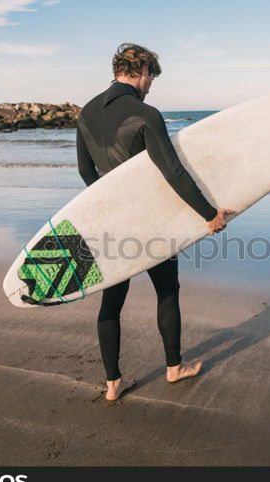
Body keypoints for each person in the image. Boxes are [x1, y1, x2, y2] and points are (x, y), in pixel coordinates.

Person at [76, 43, 233, 401]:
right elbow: (173, 171)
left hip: (110, 222)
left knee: (111, 301)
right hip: (148, 223)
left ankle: (113, 383)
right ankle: (174, 367)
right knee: (166, 289)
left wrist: (109, 202)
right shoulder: (145, 113)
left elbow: (86, 171)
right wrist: (209, 214)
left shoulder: (85, 113)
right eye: (152, 78)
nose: (151, 86)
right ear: (142, 71)